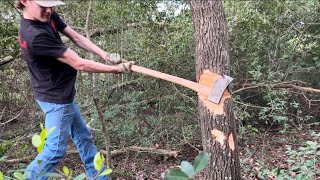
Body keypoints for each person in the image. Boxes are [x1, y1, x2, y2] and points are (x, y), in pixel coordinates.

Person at [15, 0, 133, 179]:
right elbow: (79, 63)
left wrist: (106, 55)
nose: (49, 10)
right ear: (25, 1)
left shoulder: (45, 14)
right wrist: (116, 69)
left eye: (51, 5)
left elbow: (75, 37)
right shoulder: (34, 35)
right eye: (43, 6)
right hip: (56, 99)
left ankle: (99, 177)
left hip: (58, 94)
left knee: (83, 137)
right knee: (54, 151)